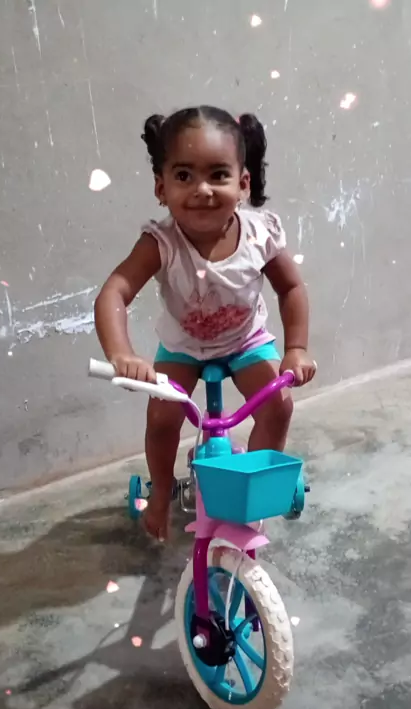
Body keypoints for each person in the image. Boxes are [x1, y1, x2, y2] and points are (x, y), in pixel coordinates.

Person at [95, 105, 316, 541]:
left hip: (246, 341)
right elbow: (114, 292)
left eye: (218, 174)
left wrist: (296, 348)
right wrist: (122, 354)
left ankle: (252, 488)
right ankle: (161, 491)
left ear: (243, 183)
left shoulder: (260, 234)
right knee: (162, 419)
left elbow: (291, 287)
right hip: (184, 348)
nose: (202, 189)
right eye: (184, 175)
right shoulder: (161, 243)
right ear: (161, 187)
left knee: (279, 405)